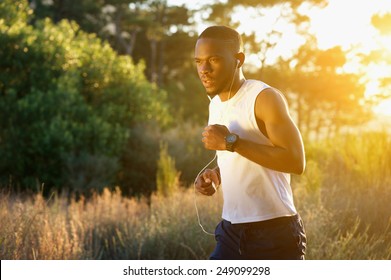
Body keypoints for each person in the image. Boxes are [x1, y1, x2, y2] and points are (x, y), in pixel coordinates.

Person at [194, 26, 307, 260]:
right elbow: (242, 155)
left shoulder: (264, 98)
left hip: (274, 232)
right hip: (230, 229)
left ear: (238, 60)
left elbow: (296, 161)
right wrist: (217, 175)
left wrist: (230, 142)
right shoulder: (215, 104)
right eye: (199, 61)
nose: (204, 70)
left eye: (213, 60)